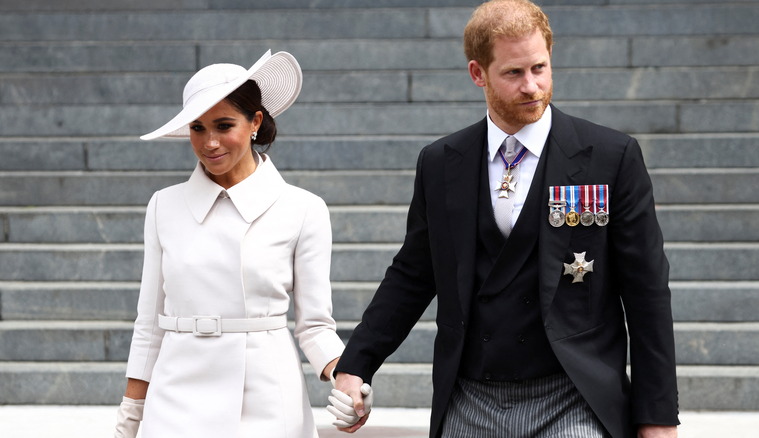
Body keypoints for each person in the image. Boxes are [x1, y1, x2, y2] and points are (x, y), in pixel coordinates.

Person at [330, 1, 679, 437]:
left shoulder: (610, 157)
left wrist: (658, 417)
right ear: (478, 73)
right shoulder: (441, 163)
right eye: (514, 73)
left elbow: (647, 291)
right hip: (469, 397)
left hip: (574, 397)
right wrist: (355, 364)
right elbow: (413, 274)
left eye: (540, 67)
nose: (532, 86)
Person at [113, 50, 345, 438]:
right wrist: (132, 410)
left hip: (267, 395)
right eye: (197, 128)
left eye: (223, 125)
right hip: (174, 394)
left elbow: (315, 326)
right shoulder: (163, 206)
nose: (210, 143)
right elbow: (150, 323)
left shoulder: (303, 209)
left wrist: (347, 380)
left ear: (255, 121)